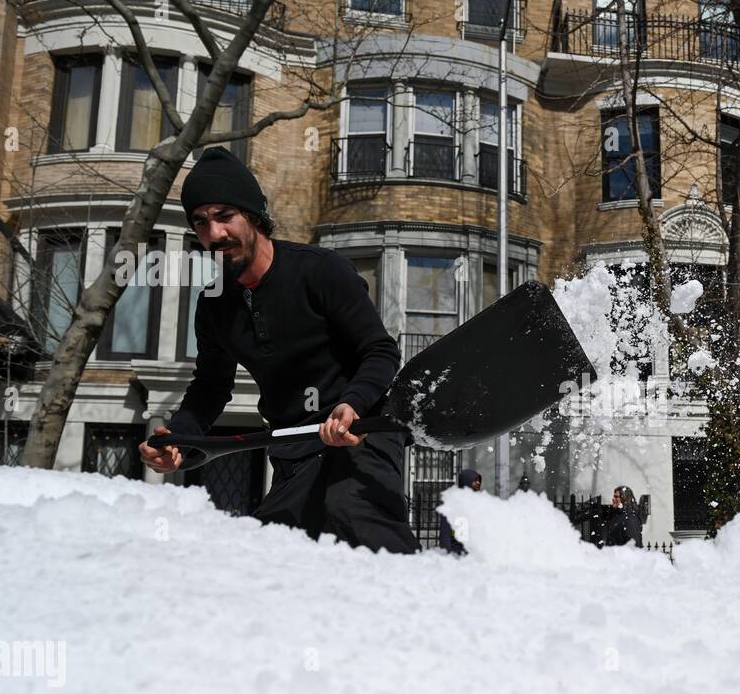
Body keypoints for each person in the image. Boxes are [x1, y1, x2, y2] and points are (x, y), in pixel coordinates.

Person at [138, 147, 419, 554]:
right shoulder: (215, 304)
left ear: (253, 216)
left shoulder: (320, 270)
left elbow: (379, 351)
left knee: (352, 513)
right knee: (274, 543)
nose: (213, 233)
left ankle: (426, 606)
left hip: (362, 431)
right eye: (200, 221)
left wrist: (352, 403)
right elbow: (211, 386)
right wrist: (180, 438)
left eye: (224, 216)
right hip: (293, 443)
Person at [439, 468, 482, 555]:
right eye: (475, 481)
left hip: (475, 554)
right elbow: (445, 533)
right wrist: (447, 555)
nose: (478, 483)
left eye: (479, 481)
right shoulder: (453, 503)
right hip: (458, 554)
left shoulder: (478, 503)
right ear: (467, 482)